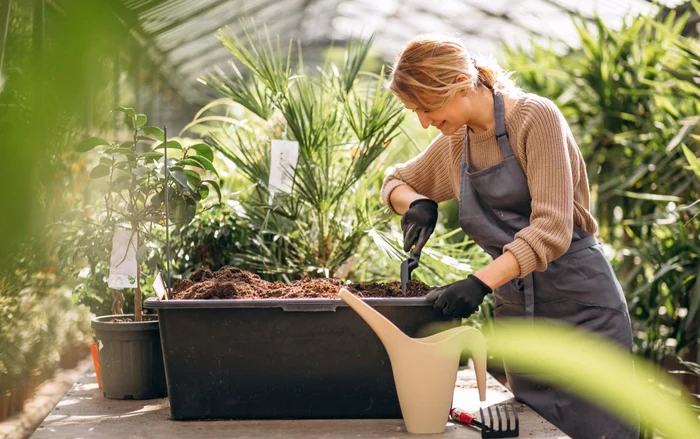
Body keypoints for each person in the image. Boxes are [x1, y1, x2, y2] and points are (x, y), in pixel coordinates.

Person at [382, 34, 638, 439]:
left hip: (581, 308)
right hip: (520, 319)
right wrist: (416, 203)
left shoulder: (535, 118)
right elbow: (394, 180)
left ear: (460, 84)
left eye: (427, 108)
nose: (425, 122)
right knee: (536, 430)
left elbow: (552, 229)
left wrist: (479, 282)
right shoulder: (456, 144)